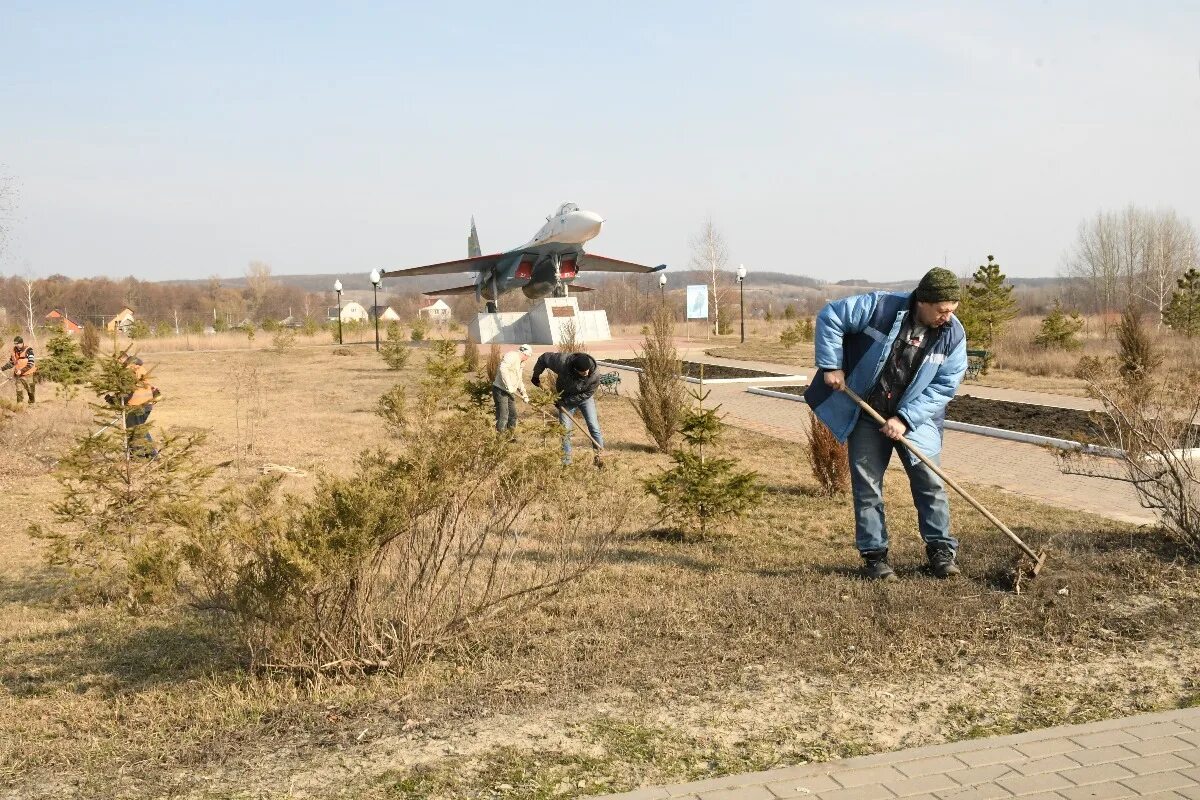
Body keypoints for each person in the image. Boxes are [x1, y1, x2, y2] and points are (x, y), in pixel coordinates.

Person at [804, 267, 968, 581]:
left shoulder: (953, 335)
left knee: (930, 483)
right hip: (868, 413)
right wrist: (831, 365)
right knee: (867, 487)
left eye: (952, 310)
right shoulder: (880, 308)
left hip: (917, 420)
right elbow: (831, 317)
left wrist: (905, 419)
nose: (947, 317)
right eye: (942, 310)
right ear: (923, 300)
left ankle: (941, 553)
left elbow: (944, 387)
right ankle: (875, 557)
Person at [531, 350, 604, 467]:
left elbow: (588, 393)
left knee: (594, 427)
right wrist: (536, 375)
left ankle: (599, 458)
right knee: (565, 432)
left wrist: (565, 402)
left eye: (587, 370)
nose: (587, 373)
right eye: (583, 372)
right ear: (575, 369)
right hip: (565, 397)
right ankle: (566, 463)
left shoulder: (594, 374)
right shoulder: (562, 362)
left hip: (585, 398)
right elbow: (544, 358)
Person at [107, 355, 160, 458]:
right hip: (146, 404)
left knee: (136, 430)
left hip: (136, 405)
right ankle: (139, 455)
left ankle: (149, 454)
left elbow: (128, 392)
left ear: (122, 359)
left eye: (118, 361)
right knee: (138, 430)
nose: (117, 364)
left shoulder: (128, 371)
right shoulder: (139, 368)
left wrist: (115, 401)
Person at [492, 343, 532, 433]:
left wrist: (524, 394)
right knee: (503, 416)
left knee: (513, 415)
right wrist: (508, 385)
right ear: (525, 354)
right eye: (528, 356)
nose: (527, 359)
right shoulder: (511, 355)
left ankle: (511, 436)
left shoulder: (521, 363)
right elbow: (503, 368)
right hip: (500, 390)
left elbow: (519, 380)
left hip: (510, 392)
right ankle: (500, 440)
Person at [1, 335, 37, 404]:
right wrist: (2, 369)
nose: (16, 345)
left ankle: (32, 403)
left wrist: (21, 371)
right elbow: (11, 363)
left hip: (28, 374)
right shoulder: (14, 351)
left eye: (17, 344)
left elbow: (31, 363)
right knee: (18, 390)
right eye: (15, 344)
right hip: (18, 375)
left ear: (22, 343)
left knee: (30, 390)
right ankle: (19, 405)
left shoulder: (29, 350)